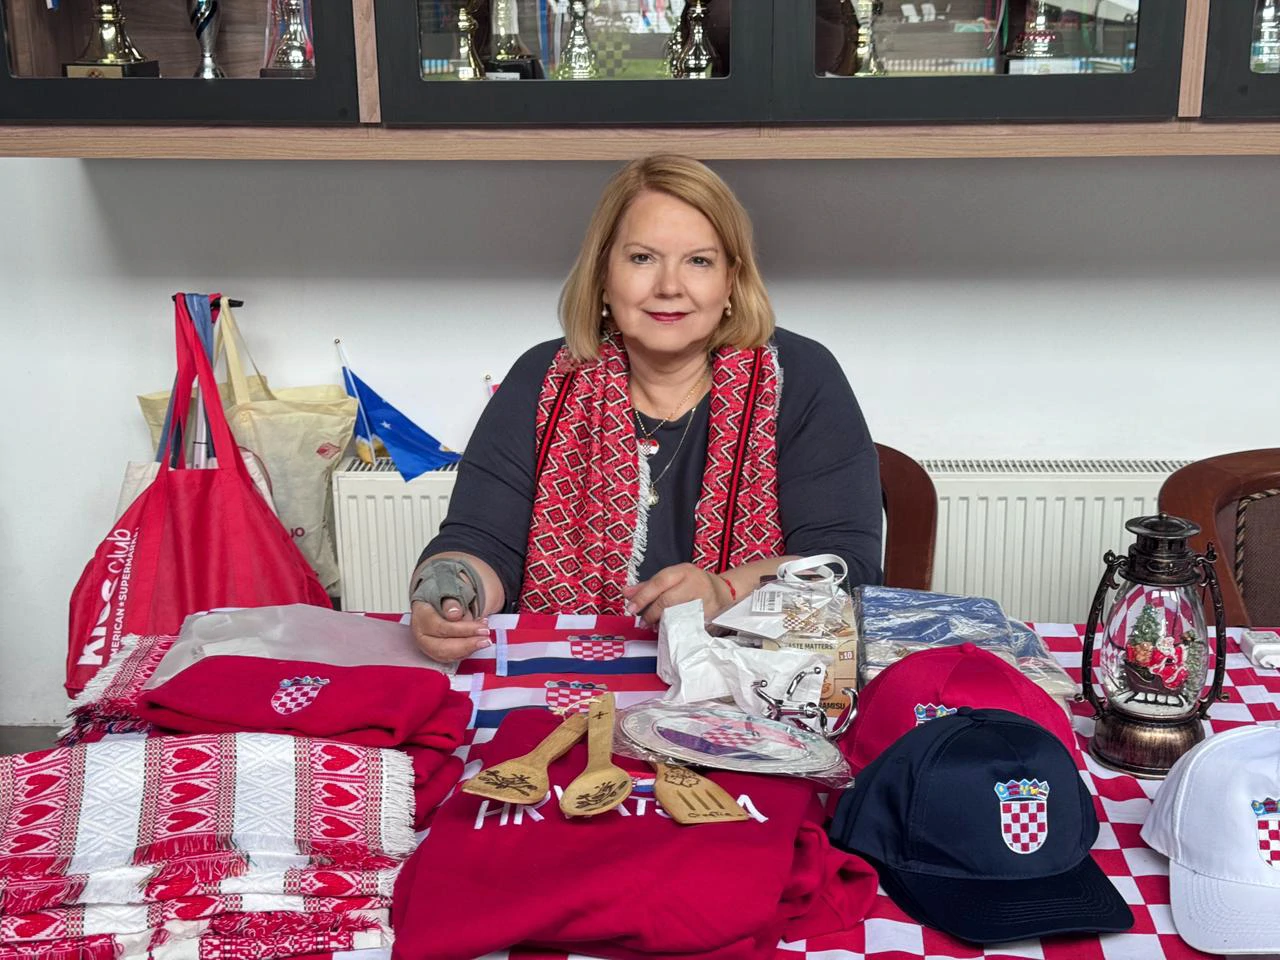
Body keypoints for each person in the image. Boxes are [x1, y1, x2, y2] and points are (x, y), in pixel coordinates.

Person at [410, 154, 882, 662]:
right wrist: (450, 588)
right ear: (603, 275)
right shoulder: (542, 378)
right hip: (567, 680)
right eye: (642, 258)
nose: (669, 287)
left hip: (755, 682)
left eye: (699, 261)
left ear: (730, 280)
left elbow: (846, 569)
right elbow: (480, 540)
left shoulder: (800, 377)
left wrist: (725, 593)